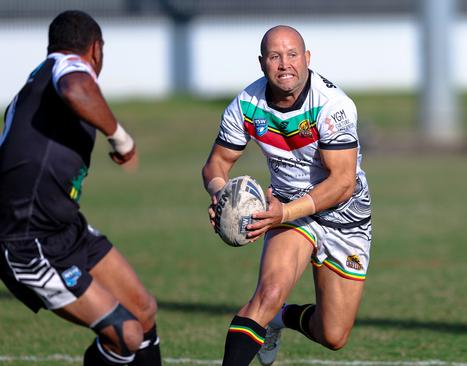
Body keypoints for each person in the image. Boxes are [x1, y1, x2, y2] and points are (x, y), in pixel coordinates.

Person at [203, 25, 372, 365]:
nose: (285, 65)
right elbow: (216, 166)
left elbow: (342, 183)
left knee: (333, 334)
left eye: (292, 55)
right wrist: (223, 197)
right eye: (275, 57)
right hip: (286, 210)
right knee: (267, 294)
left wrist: (285, 213)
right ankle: (268, 314)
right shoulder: (246, 104)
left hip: (344, 215)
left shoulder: (332, 106)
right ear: (262, 62)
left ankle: (280, 318)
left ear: (307, 58)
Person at [0, 10, 161, 365]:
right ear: (96, 49)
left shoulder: (39, 85)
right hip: (28, 242)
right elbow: (76, 85)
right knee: (126, 335)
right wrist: (122, 139)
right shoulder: (66, 67)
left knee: (143, 311)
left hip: (65, 228)